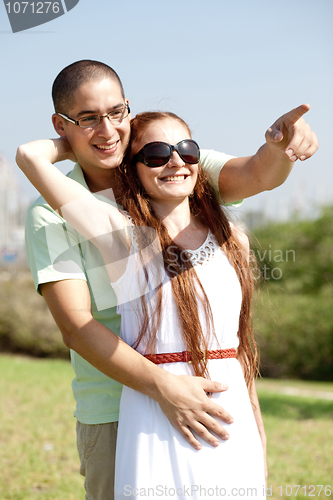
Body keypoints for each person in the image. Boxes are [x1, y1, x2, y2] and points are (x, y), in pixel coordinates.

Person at [21, 59, 318, 500]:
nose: (106, 130)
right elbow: (76, 328)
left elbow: (258, 173)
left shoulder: (177, 166)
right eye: (87, 119)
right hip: (118, 405)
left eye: (115, 113)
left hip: (219, 402)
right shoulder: (64, 215)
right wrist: (164, 388)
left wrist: (281, 148)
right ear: (60, 124)